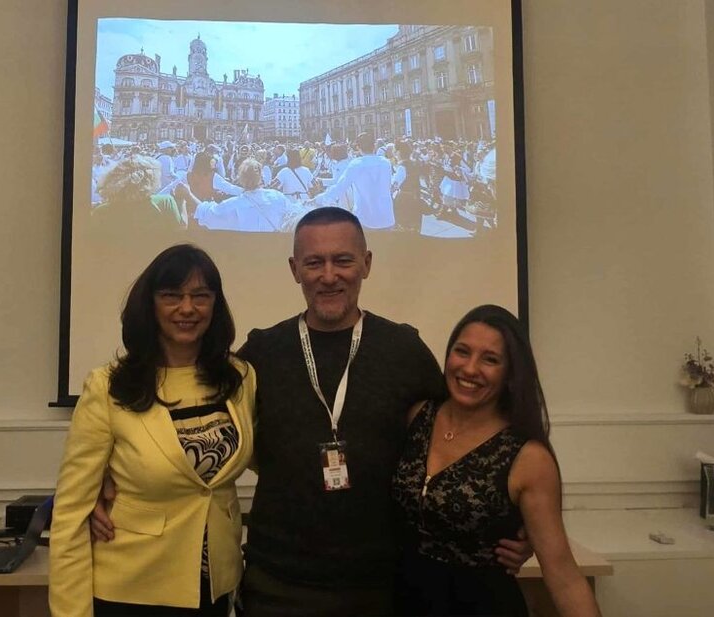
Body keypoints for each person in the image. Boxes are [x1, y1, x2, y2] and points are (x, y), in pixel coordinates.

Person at [92, 208, 532, 616]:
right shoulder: (259, 354)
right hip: (276, 587)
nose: (328, 276)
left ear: (366, 264)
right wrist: (111, 477)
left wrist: (522, 520)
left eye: (343, 260)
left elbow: (465, 436)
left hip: (385, 588)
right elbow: (186, 429)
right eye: (314, 263)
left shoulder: (405, 351)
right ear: (294, 269)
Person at [50, 244, 256, 616]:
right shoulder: (108, 387)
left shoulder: (239, 377)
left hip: (214, 586)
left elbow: (259, 455)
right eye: (171, 296)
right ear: (150, 305)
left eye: (201, 296)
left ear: (215, 304)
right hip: (133, 588)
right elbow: (71, 513)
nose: (187, 308)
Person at [391, 305, 600, 616]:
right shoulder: (416, 416)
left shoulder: (529, 458)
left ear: (510, 373)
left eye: (490, 359)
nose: (470, 368)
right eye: (462, 351)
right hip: (403, 602)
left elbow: (564, 577)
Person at [309, 132, 395, 229]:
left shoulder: (356, 164)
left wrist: (316, 199)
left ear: (358, 147)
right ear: (374, 145)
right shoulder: (385, 162)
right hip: (387, 216)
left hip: (365, 218)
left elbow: (339, 187)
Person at [194, 158, 299, 232]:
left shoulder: (232, 205)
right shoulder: (278, 197)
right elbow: (295, 218)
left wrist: (188, 194)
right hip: (274, 253)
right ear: (261, 177)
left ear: (241, 179)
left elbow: (205, 214)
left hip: (244, 254)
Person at [91, 155, 188, 232]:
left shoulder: (101, 211)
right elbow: (181, 228)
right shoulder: (165, 202)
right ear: (150, 179)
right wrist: (181, 201)